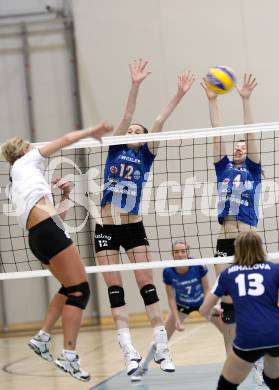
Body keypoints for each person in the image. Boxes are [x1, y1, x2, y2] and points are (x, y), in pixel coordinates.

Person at [94, 59, 195, 375]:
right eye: (133, 130)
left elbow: (160, 120)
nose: (135, 131)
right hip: (107, 227)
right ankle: (128, 352)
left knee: (146, 283)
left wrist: (179, 94)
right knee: (115, 290)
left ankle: (162, 349)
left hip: (134, 226)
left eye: (140, 130)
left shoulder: (146, 155)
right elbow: (125, 116)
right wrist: (135, 84)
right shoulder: (115, 149)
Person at [1, 121, 112, 382]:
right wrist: (91, 131)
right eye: (32, 145)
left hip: (38, 236)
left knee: (67, 287)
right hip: (47, 232)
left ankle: (42, 337)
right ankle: (68, 355)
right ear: (25, 150)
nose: (37, 148)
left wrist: (66, 195)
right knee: (80, 290)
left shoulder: (16, 182)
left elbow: (52, 216)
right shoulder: (27, 162)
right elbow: (65, 138)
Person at [201, 73, 261, 355]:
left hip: (247, 239)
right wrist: (212, 101)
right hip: (224, 240)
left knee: (255, 299)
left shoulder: (253, 169)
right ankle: (231, 359)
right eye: (237, 145)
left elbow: (251, 133)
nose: (240, 146)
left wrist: (245, 99)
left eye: (243, 146)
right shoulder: (222, 168)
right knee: (227, 302)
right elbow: (217, 133)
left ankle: (262, 357)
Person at [131, 240, 224, 381]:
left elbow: (207, 289)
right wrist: (176, 320)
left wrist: (211, 306)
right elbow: (171, 298)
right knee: (161, 339)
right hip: (182, 305)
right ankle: (143, 367)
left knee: (228, 330)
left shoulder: (197, 265)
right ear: (172, 254)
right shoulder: (168, 271)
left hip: (201, 303)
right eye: (176, 252)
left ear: (187, 253)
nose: (180, 254)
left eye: (183, 251)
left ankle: (248, 361)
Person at [199, 231, 279, 390]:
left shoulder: (228, 274)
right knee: (273, 379)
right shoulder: (275, 269)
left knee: (226, 386)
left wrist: (214, 310)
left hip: (248, 337)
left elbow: (203, 309)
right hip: (275, 334)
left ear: (237, 249)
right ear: (260, 247)